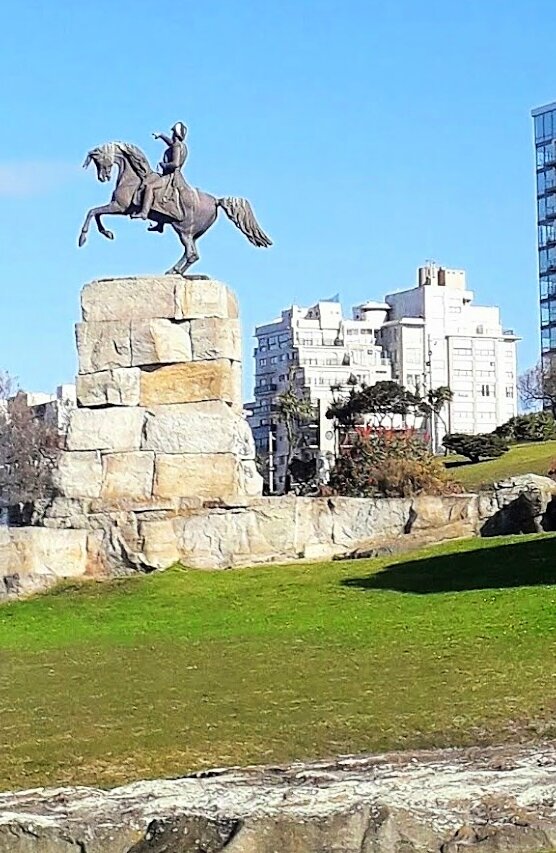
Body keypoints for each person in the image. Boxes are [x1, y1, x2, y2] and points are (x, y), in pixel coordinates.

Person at [132, 122, 192, 223]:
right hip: (174, 175)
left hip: (171, 176)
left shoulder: (177, 146)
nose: (172, 135)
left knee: (150, 187)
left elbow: (176, 163)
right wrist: (161, 136)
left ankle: (144, 212)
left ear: (175, 134)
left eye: (173, 133)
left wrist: (164, 165)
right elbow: (170, 143)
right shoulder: (181, 146)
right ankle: (159, 223)